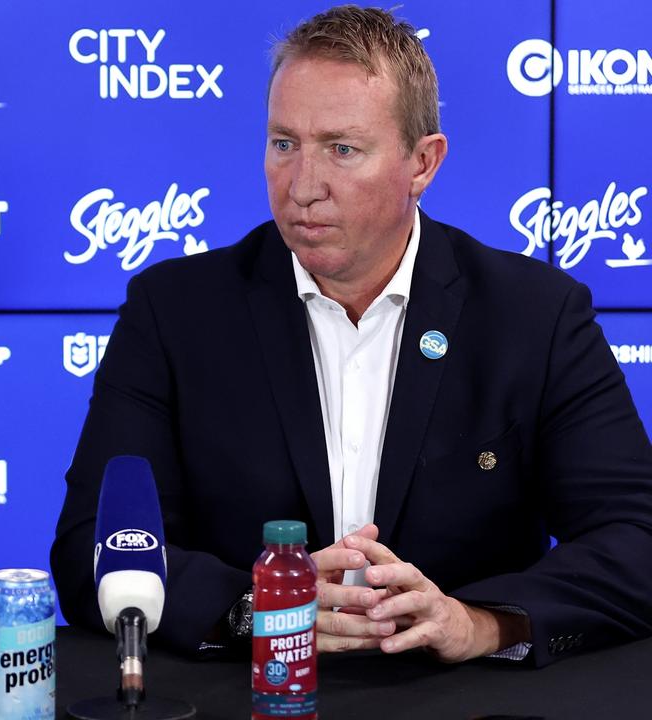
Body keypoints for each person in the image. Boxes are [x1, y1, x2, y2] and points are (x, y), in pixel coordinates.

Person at [52, 5, 652, 666]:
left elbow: (636, 539)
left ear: (422, 164)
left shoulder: (534, 315)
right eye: (284, 144)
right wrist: (255, 609)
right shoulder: (173, 311)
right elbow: (95, 545)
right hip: (247, 696)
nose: (303, 187)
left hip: (460, 701)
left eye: (342, 149)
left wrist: (480, 623)